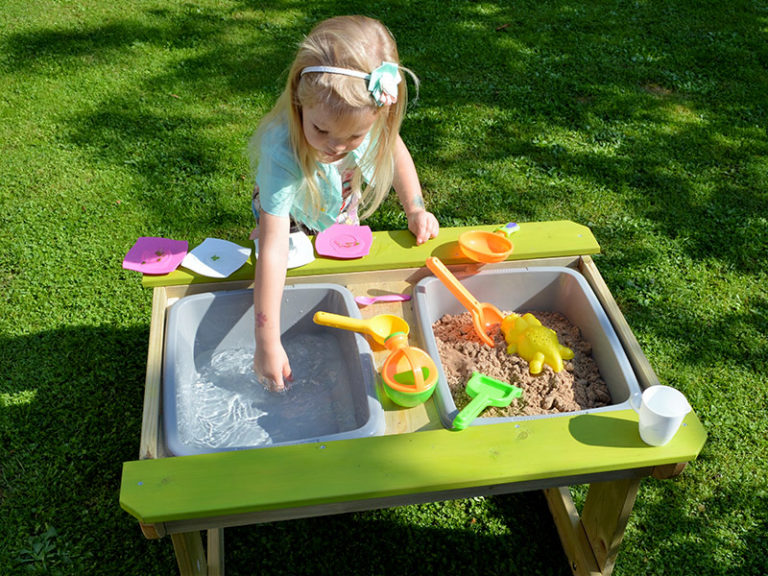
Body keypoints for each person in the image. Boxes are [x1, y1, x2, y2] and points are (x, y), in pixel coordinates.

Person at [248, 15, 439, 391]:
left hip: (338, 211)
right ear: (299, 102)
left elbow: (395, 151)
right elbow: (274, 248)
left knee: (335, 272)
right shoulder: (281, 150)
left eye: (354, 136)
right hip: (286, 218)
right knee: (285, 268)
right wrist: (266, 342)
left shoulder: (363, 121)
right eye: (321, 130)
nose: (335, 146)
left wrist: (415, 207)